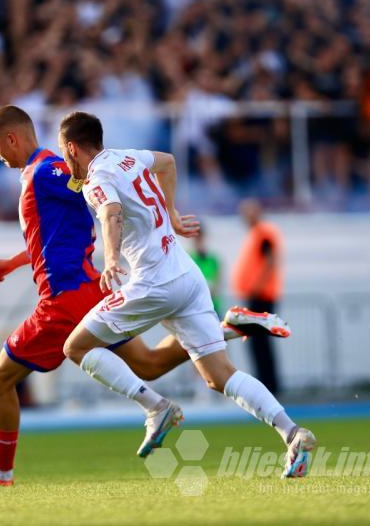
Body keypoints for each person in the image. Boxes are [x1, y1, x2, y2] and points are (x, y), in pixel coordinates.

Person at [0, 106, 291, 488]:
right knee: (148, 364)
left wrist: (116, 249)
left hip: (65, 299)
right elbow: (57, 235)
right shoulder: (45, 172)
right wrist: (13, 264)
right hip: (89, 287)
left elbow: (104, 198)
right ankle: (226, 326)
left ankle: (1, 472)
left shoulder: (49, 169)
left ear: (13, 138)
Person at [58, 111, 316, 478]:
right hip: (186, 275)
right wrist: (173, 214)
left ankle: (155, 406)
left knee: (76, 347)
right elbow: (168, 162)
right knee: (218, 375)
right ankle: (293, 433)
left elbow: (111, 213)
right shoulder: (129, 156)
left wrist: (112, 258)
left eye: (64, 155)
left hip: (152, 283)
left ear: (72, 148)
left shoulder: (95, 178)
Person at [231, 199, 282, 393]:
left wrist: (256, 286)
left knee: (260, 344)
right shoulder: (257, 234)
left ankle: (267, 386)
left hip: (261, 296)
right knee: (258, 343)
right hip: (256, 294)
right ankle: (266, 384)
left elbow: (270, 261)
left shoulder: (263, 233)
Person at [188, 225, 222, 317]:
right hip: (195, 310)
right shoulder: (188, 260)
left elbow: (217, 283)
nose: (198, 241)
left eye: (200, 237)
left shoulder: (213, 260)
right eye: (196, 238)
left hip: (213, 307)